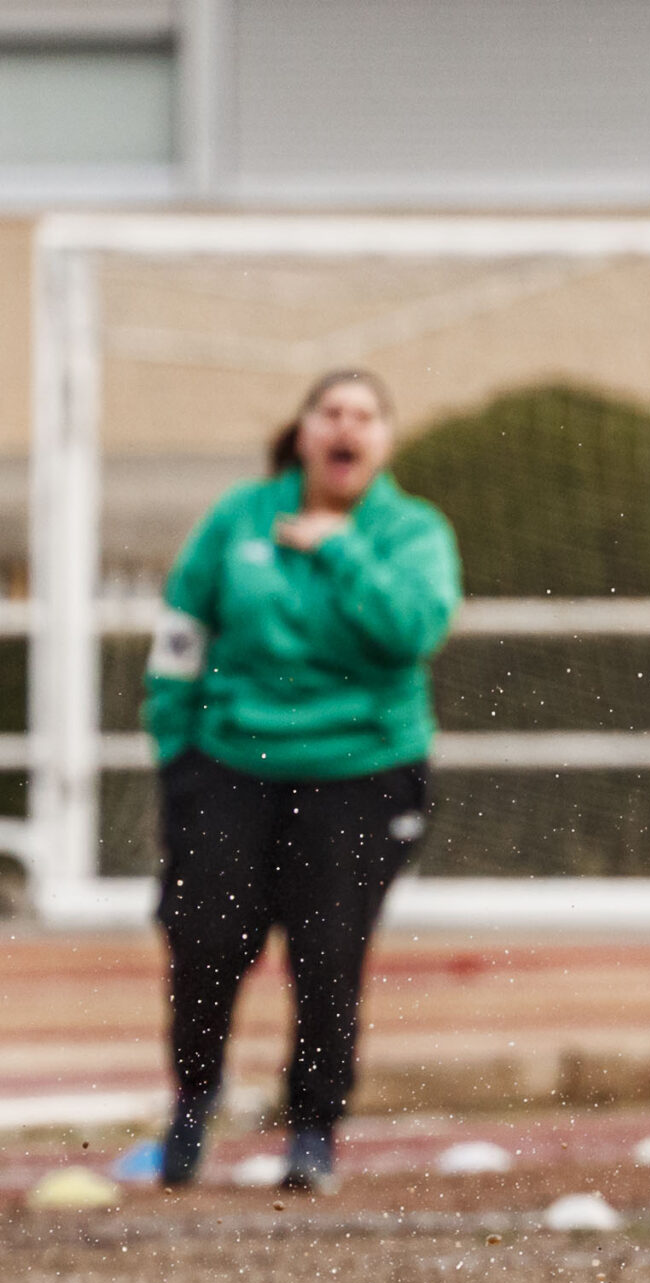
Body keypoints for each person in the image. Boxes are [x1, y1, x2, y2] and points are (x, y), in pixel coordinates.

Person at [143, 370, 461, 1192]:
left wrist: (340, 547)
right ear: (306, 430)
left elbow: (412, 631)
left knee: (327, 955)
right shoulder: (240, 518)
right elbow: (182, 626)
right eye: (331, 412)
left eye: (364, 415)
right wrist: (176, 746)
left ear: (384, 440)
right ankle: (193, 1100)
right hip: (228, 765)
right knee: (206, 943)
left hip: (360, 773)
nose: (345, 427)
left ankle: (313, 1127)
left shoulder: (411, 530)